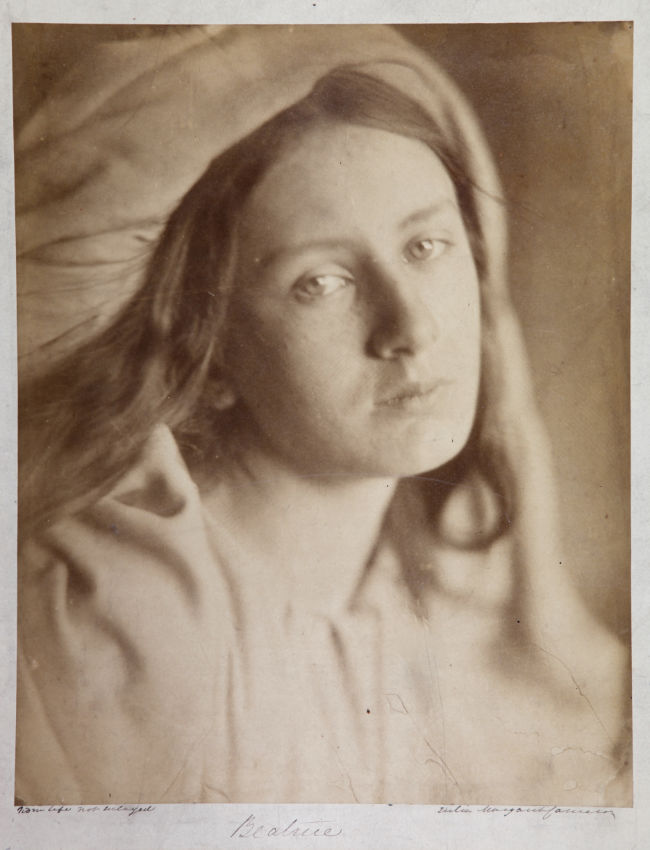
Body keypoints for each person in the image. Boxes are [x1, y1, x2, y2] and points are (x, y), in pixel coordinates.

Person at [15, 25, 630, 806]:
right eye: (321, 282)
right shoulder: (121, 621)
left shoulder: (445, 600)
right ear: (209, 356)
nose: (411, 327)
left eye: (427, 247)